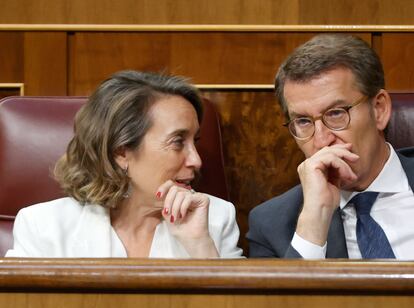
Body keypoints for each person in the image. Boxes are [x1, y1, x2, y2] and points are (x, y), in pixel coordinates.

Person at [6, 70, 243, 258]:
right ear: (121, 151)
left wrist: (200, 246)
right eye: (178, 142)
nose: (196, 160)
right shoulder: (44, 227)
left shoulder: (215, 219)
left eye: (195, 141)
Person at [247, 34, 414, 259]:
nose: (322, 141)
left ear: (379, 110)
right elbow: (286, 296)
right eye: (304, 121)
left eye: (336, 113)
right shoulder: (271, 225)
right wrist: (314, 221)